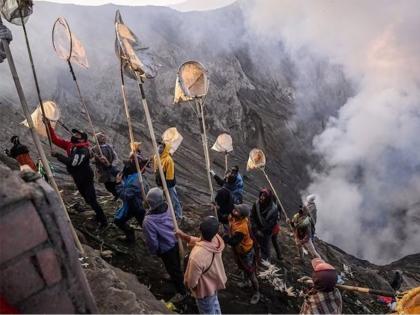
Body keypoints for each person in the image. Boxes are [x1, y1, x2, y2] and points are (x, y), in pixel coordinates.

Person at [46, 121, 108, 227]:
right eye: (74, 133)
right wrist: (48, 126)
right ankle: (97, 214)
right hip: (77, 176)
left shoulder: (83, 150)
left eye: (77, 134)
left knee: (92, 199)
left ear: (82, 138)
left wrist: (58, 155)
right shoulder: (71, 146)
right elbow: (55, 140)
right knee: (87, 198)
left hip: (85, 177)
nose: (74, 135)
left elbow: (73, 163)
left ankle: (103, 221)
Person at [142, 187, 186, 301]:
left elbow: (152, 241)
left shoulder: (148, 221)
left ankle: (182, 292)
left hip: (166, 249)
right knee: (175, 265)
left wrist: (155, 251)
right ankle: (176, 277)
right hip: (176, 240)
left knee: (173, 268)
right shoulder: (168, 206)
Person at [177, 216, 227, 314]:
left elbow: (191, 282)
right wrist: (184, 236)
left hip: (204, 291)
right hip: (214, 283)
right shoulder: (217, 240)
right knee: (215, 305)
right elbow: (203, 242)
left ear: (200, 229)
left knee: (207, 311)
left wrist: (194, 289)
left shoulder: (197, 256)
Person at [223, 204, 260, 304]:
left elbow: (234, 242)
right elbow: (225, 217)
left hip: (246, 252)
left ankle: (256, 292)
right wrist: (217, 208)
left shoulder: (242, 227)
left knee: (250, 272)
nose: (234, 211)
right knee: (242, 268)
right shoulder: (234, 217)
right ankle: (245, 282)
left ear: (241, 216)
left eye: (236, 211)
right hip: (239, 251)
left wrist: (225, 238)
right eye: (235, 209)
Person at [114, 159, 146, 243]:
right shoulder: (131, 175)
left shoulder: (136, 181)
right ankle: (130, 236)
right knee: (118, 221)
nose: (125, 167)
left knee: (145, 226)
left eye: (127, 166)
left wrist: (118, 184)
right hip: (132, 205)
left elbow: (125, 195)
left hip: (137, 207)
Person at [251, 188, 282, 262]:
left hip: (267, 232)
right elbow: (252, 216)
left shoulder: (274, 209)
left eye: (264, 196)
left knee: (265, 247)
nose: (261, 197)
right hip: (256, 229)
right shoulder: (256, 204)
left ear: (268, 198)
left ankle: (266, 261)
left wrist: (262, 231)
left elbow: (271, 224)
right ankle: (255, 258)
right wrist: (255, 229)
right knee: (254, 242)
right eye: (261, 195)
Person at [154, 141, 183, 220]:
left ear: (165, 149)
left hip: (169, 184)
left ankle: (178, 215)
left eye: (161, 147)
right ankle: (169, 213)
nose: (159, 149)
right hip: (161, 183)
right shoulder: (156, 157)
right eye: (158, 147)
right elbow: (156, 170)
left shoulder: (168, 160)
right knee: (166, 199)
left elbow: (170, 175)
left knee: (173, 199)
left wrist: (167, 186)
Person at [93, 132, 118, 199]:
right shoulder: (95, 149)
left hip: (111, 168)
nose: (103, 137)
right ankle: (115, 194)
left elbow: (115, 157)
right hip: (102, 171)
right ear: (97, 139)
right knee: (108, 185)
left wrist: (112, 165)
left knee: (114, 182)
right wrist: (97, 160)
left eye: (103, 136)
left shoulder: (109, 147)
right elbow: (91, 158)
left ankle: (118, 194)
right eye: (101, 137)